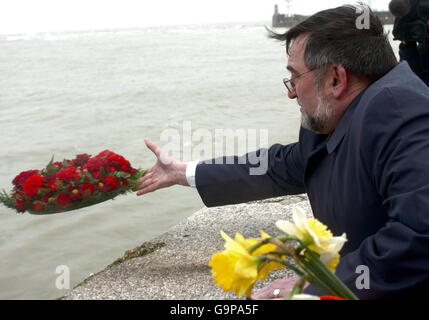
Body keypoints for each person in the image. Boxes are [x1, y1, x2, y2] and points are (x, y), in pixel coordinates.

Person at [136, 5, 429, 299]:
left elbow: (419, 236)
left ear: (336, 79)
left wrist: (316, 286)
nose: (291, 92)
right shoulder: (341, 116)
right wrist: (183, 172)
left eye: (295, 76)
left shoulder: (400, 110)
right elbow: (280, 166)